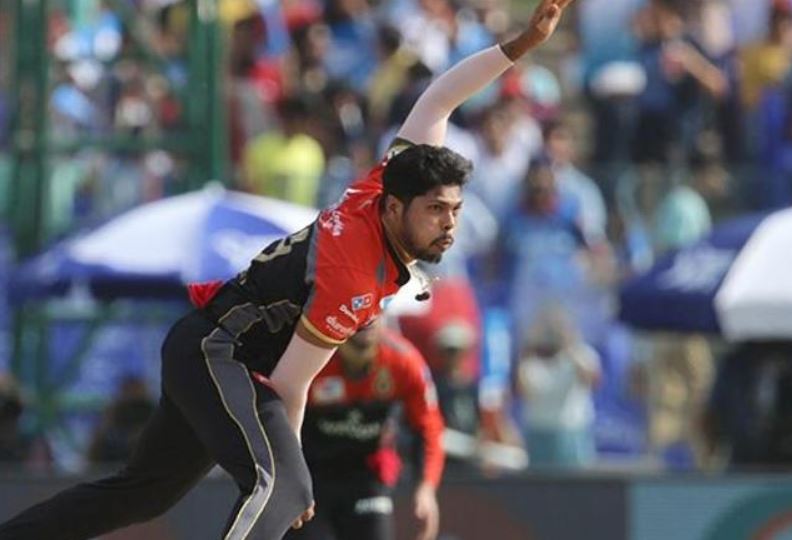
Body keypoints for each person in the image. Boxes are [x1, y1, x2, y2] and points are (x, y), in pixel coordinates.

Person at [0, 2, 575, 538]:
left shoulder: (389, 181)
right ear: (396, 209)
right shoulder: (353, 276)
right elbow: (290, 384)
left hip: (208, 350)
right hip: (220, 355)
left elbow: (442, 96)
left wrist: (522, 44)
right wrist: (291, 469)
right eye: (435, 211)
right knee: (283, 487)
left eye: (454, 210)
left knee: (143, 494)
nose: (448, 225)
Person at [285, 321, 444, 540]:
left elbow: (429, 426)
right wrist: (288, 481)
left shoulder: (403, 360)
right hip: (311, 475)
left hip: (368, 476)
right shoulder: (310, 358)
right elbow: (280, 417)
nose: (366, 325)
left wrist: (426, 488)